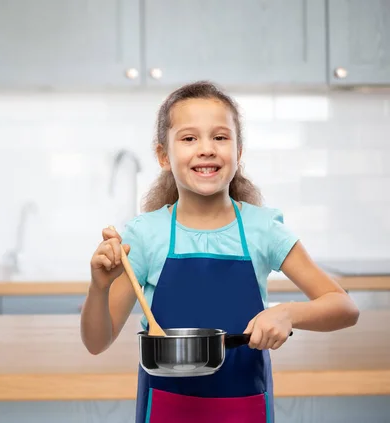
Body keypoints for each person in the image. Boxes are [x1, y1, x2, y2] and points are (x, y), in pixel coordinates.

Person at [80, 81, 360, 423]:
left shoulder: (263, 229)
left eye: (220, 137)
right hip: (168, 410)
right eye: (189, 138)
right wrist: (99, 287)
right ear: (163, 156)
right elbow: (97, 341)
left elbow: (344, 306)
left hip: (244, 407)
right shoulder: (143, 235)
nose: (206, 149)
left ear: (238, 152)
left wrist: (287, 313)